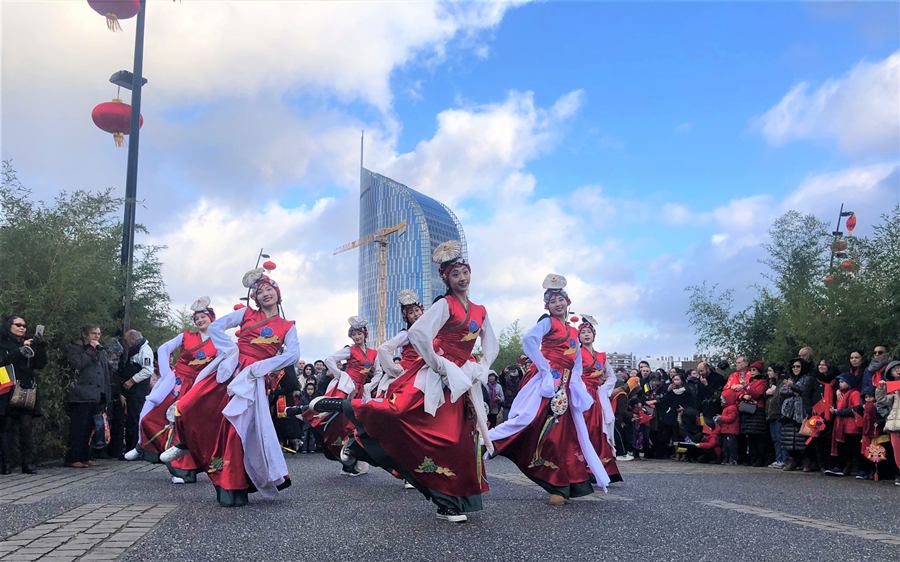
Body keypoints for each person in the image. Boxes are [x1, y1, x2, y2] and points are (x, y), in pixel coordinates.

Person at [309, 240, 498, 523]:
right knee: (400, 415)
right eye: (454, 274)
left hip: (462, 379)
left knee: (458, 438)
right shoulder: (445, 305)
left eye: (464, 272)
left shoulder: (480, 310)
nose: (461, 278)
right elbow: (420, 335)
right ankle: (351, 407)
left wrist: (481, 367)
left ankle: (450, 501)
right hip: (434, 375)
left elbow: (490, 343)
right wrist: (438, 364)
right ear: (445, 278)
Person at [161, 268, 300, 507]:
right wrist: (230, 350)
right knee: (188, 403)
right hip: (229, 367)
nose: (265, 294)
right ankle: (185, 442)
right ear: (254, 298)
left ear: (278, 293)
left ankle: (232, 485)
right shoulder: (246, 313)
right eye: (260, 291)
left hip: (251, 378)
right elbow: (216, 327)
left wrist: (261, 367)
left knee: (236, 428)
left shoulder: (287, 325)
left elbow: (294, 354)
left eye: (269, 290)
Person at [490, 274, 609, 506]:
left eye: (560, 299)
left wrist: (575, 385)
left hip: (564, 386)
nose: (557, 304)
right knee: (531, 419)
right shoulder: (548, 323)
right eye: (552, 300)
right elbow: (529, 340)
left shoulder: (574, 332)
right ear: (547, 305)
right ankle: (489, 441)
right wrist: (544, 368)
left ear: (568, 301)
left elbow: (576, 362)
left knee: (563, 434)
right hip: (546, 382)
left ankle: (562, 483)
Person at [125, 299, 219, 485]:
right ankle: (143, 445)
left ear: (212, 319)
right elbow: (163, 348)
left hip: (198, 385)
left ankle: (183, 470)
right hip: (177, 381)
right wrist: (168, 374)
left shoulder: (219, 341)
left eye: (203, 317)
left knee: (185, 426)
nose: (199, 321)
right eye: (196, 318)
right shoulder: (186, 336)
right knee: (151, 413)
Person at [301, 315, 380, 475]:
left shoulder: (373, 353)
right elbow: (330, 360)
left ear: (365, 334)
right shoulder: (350, 350)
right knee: (341, 423)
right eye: (354, 334)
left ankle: (357, 463)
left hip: (361, 391)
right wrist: (341, 376)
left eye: (359, 333)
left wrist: (369, 385)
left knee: (360, 425)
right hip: (347, 389)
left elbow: (378, 372)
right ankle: (348, 460)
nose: (357, 337)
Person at [0, 315, 47, 475]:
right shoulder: (3, 342)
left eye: (24, 325)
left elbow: (40, 364)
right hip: (6, 388)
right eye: (18, 325)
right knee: (6, 426)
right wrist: (18, 351)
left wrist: (40, 347)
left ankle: (27, 463)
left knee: (26, 426)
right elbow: (2, 361)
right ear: (9, 326)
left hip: (25, 387)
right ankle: (6, 463)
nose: (22, 328)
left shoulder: (29, 343)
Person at [578, 315, 621, 483]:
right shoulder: (576, 354)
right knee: (582, 429)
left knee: (597, 430)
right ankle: (582, 468)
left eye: (589, 332)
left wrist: (602, 388)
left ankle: (600, 468)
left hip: (596, 396)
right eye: (583, 332)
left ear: (594, 335)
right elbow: (573, 375)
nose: (587, 335)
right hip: (581, 395)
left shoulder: (601, 356)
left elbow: (611, 377)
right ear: (579, 337)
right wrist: (581, 388)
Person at [66, 325, 110, 469]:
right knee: (78, 427)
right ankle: (73, 458)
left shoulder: (101, 351)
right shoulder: (76, 348)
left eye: (98, 333)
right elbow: (76, 365)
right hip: (81, 394)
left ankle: (86, 456)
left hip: (97, 395)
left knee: (90, 429)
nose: (96, 336)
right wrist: (90, 350)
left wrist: (106, 395)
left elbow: (105, 373)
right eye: (93, 333)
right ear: (85, 335)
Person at [370, 290, 423, 399]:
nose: (416, 314)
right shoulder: (406, 334)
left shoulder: (432, 332)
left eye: (417, 310)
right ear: (406, 317)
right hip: (409, 374)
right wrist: (395, 370)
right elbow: (383, 349)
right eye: (411, 313)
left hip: (425, 372)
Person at [780, 358, 815, 472]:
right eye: (793, 366)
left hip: (802, 411)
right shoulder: (790, 379)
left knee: (803, 437)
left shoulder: (808, 378)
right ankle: (792, 460)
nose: (795, 368)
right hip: (789, 412)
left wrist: (793, 387)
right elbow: (782, 391)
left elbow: (805, 391)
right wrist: (794, 390)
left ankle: (806, 461)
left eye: (798, 366)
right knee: (789, 437)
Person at [121, 330, 153, 453]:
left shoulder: (145, 351)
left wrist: (132, 381)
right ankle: (131, 446)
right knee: (131, 418)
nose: (126, 343)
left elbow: (148, 370)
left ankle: (134, 447)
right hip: (132, 392)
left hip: (138, 391)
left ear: (133, 338)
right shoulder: (136, 350)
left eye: (127, 340)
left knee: (135, 419)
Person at [824, 373, 862, 477]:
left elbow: (857, 409)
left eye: (842, 382)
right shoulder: (841, 394)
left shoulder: (854, 393)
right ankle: (840, 467)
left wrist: (839, 412)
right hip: (842, 426)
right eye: (839, 382)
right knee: (843, 448)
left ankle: (862, 470)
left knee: (856, 449)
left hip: (852, 427)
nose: (840, 384)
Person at [875, 361, 900, 486]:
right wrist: (881, 389)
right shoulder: (894, 392)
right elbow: (882, 400)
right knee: (897, 451)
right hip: (895, 425)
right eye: (895, 369)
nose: (898, 370)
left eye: (899, 368)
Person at [738, 362, 768, 467]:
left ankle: (759, 458)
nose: (751, 372)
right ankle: (752, 457)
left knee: (757, 436)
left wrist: (746, 387)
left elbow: (757, 393)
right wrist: (742, 396)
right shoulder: (750, 382)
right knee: (750, 436)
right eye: (750, 370)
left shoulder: (762, 382)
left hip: (757, 410)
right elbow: (741, 394)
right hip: (748, 411)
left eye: (754, 370)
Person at [105, 338, 126, 460]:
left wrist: (120, 392)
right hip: (106, 395)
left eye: (119, 354)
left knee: (118, 423)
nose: (116, 356)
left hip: (116, 395)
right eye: (115, 353)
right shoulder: (104, 364)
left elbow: (120, 380)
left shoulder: (119, 365)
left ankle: (115, 450)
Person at [765, 365, 788, 468]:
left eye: (770, 371)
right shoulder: (772, 383)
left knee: (780, 437)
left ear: (776, 372)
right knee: (775, 438)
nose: (768, 373)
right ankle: (779, 459)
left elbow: (779, 398)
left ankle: (784, 459)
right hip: (771, 413)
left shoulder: (782, 383)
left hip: (779, 412)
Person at [297, 382, 318, 453]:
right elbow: (301, 408)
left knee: (312, 435)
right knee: (304, 435)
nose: (310, 391)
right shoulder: (303, 398)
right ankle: (304, 448)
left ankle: (312, 448)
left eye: (312, 389)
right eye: (308, 389)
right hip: (305, 419)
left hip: (313, 419)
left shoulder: (316, 398)